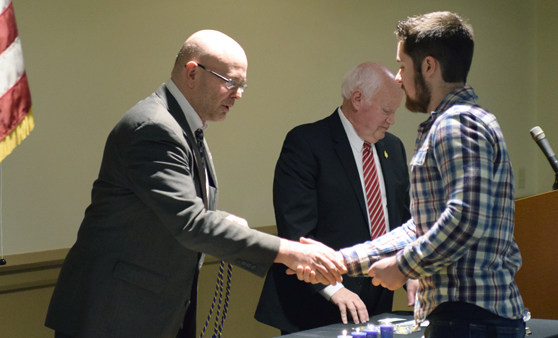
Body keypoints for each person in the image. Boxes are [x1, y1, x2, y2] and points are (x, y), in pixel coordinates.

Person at [44, 29, 346, 338]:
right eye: (230, 82)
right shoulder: (155, 128)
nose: (238, 94)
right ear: (192, 72)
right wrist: (289, 251)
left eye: (242, 85)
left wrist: (220, 219)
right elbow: (190, 223)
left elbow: (169, 210)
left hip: (152, 310)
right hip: (113, 314)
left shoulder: (185, 127)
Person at [296, 12, 526, 338]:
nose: (399, 79)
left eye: (402, 66)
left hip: (472, 317)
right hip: (464, 316)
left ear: (429, 66)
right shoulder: (452, 123)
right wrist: (342, 261)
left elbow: (466, 219)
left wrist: (402, 267)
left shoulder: (457, 123)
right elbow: (421, 227)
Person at [254, 62, 414, 334]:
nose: (392, 120)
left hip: (377, 301)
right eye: (387, 111)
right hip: (316, 305)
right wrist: (334, 289)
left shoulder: (394, 147)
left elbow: (404, 218)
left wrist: (411, 269)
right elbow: (296, 231)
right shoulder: (307, 143)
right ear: (357, 99)